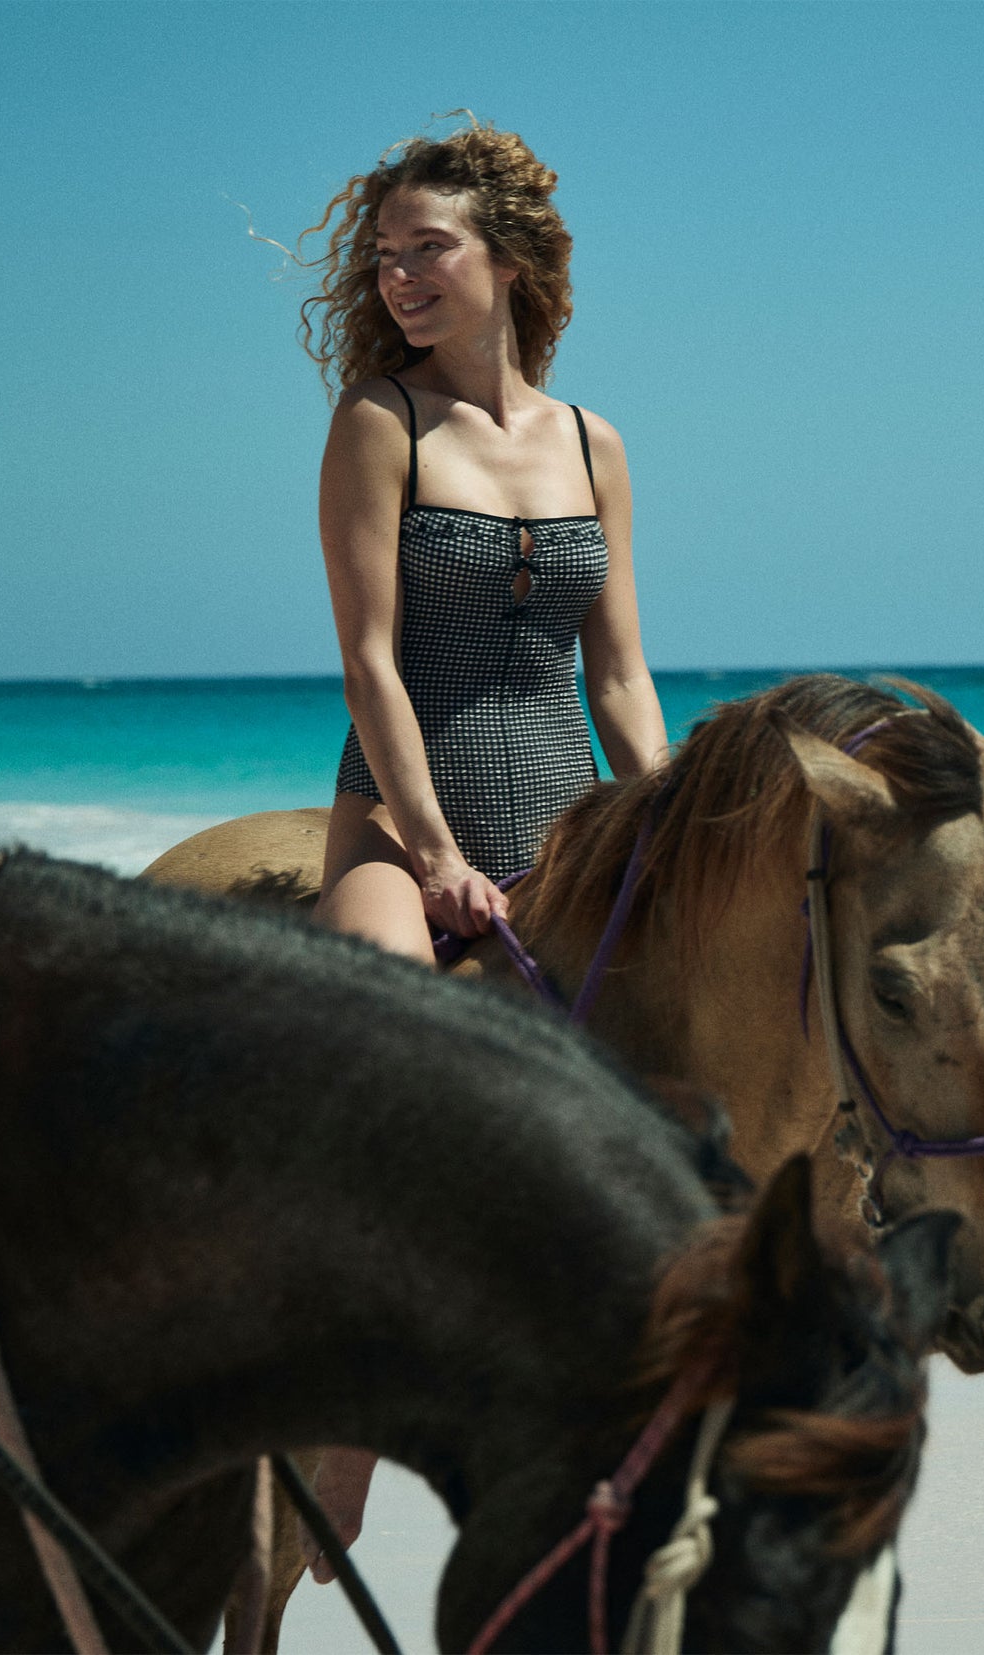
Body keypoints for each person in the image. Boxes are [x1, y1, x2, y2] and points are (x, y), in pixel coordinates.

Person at [300, 121, 668, 1572]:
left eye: (426, 248)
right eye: (382, 254)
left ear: (506, 259)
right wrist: (439, 851)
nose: (398, 275)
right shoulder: (375, 422)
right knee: (384, 1070)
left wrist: (674, 816)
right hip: (403, 827)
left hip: (564, 825)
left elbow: (622, 674)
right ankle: (334, 1435)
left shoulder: (595, 444)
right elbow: (372, 662)